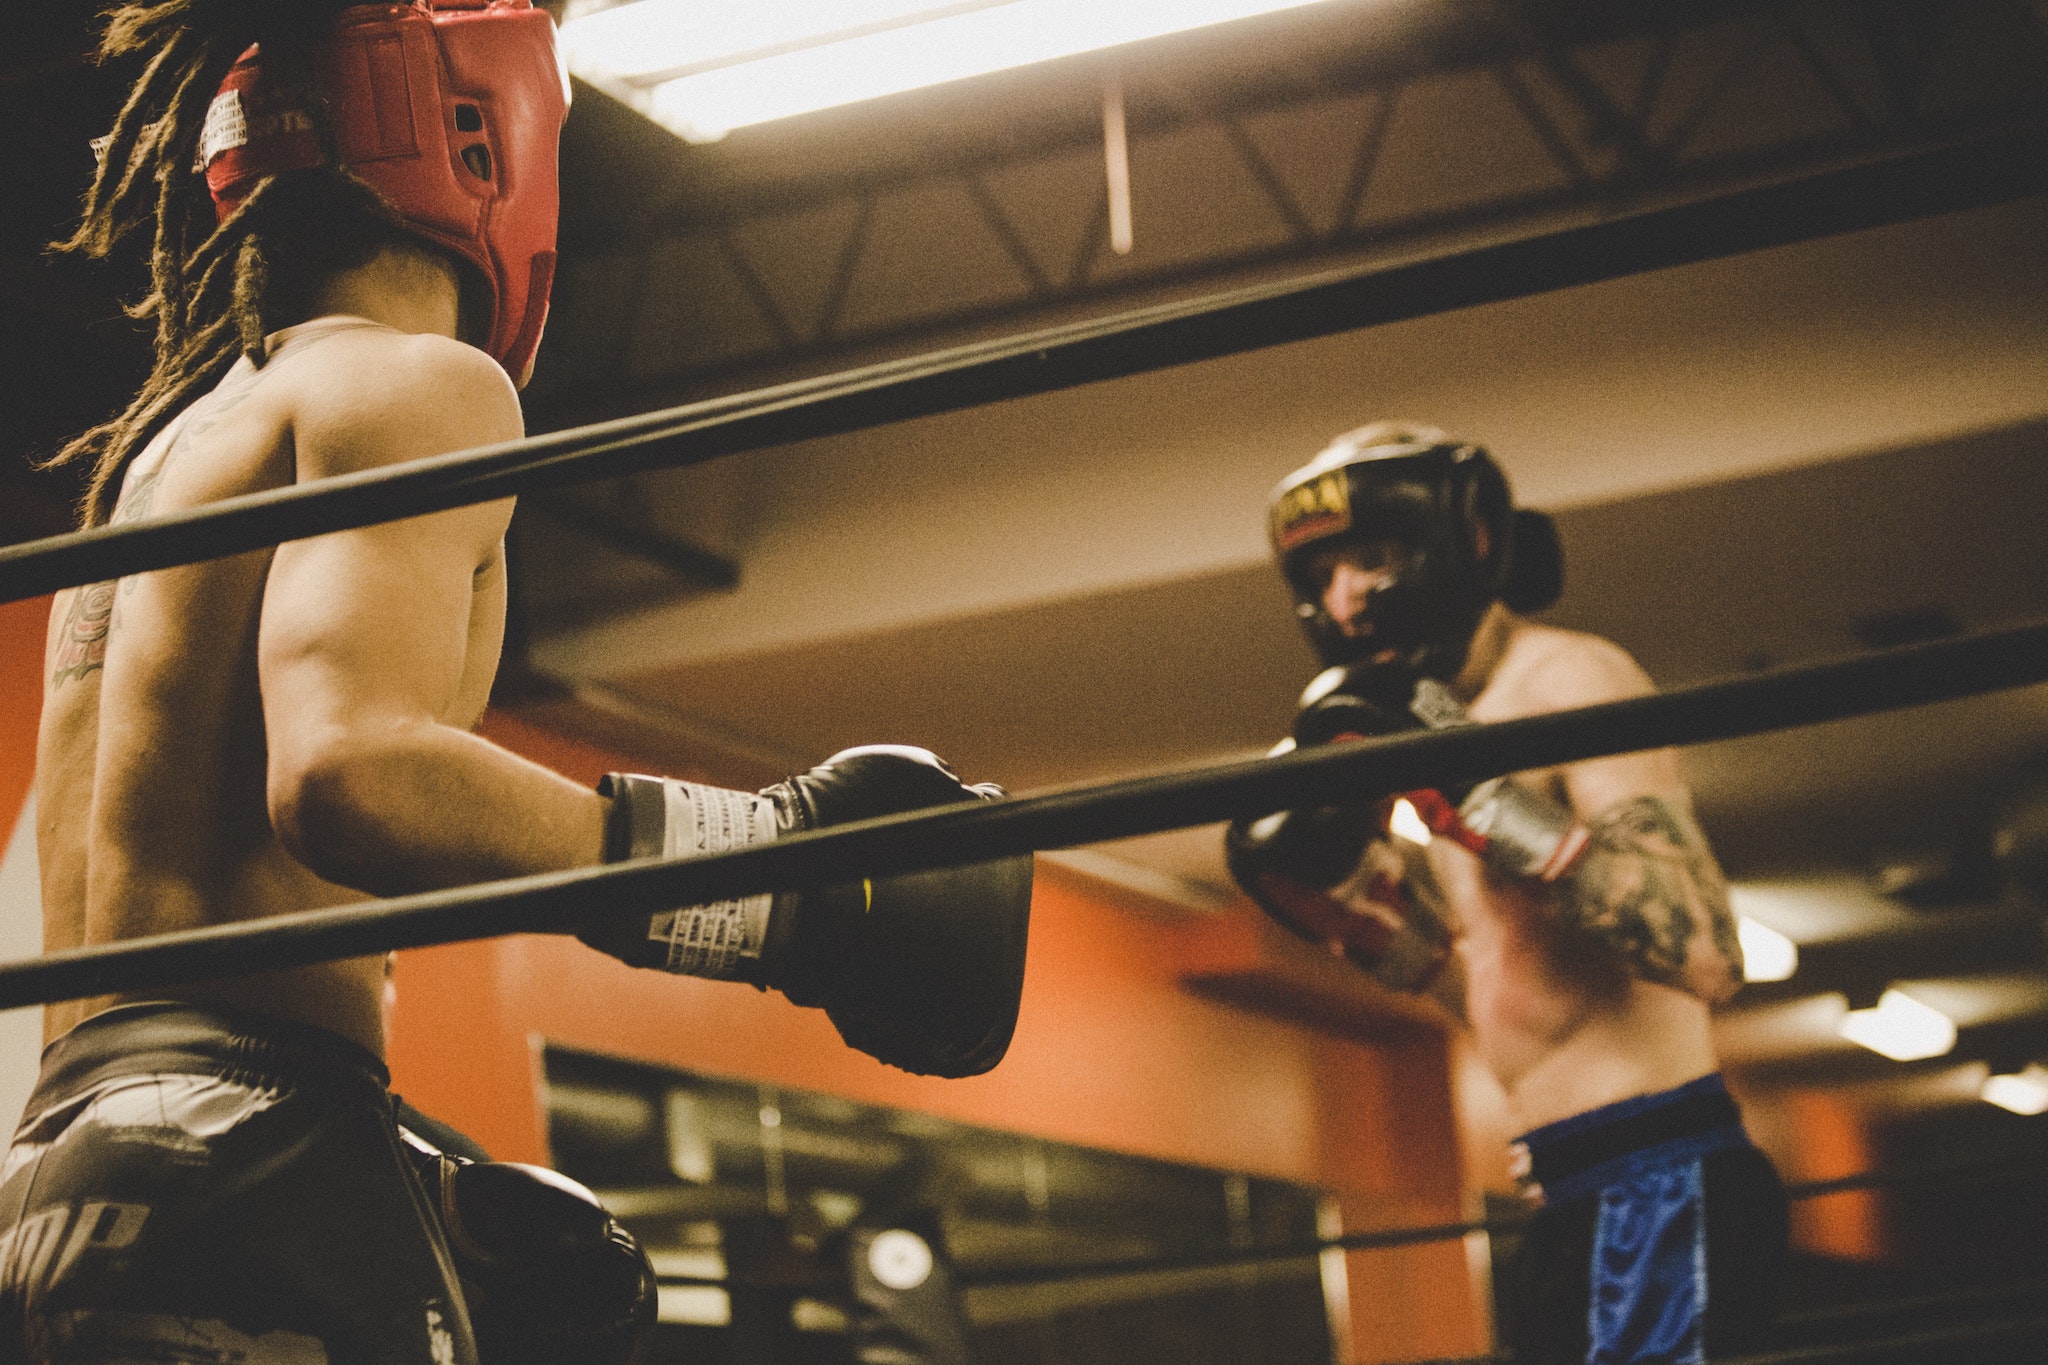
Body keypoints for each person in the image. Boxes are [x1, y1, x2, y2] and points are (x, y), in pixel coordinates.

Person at [5, 3, 1031, 1361]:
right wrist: (773, 884)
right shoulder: (418, 387)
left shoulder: (157, 466)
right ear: (491, 137)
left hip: (60, 1168)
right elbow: (347, 769)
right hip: (247, 1150)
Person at [1229, 422, 1787, 1364]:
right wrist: (1378, 931)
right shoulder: (1419, 722)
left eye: (1370, 556)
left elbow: (1707, 952)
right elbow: (1509, 992)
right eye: (1318, 575)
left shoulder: (1569, 675)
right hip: (1564, 1190)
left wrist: (1495, 801)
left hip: (1658, 1172)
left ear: (1469, 540)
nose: (1344, 595)